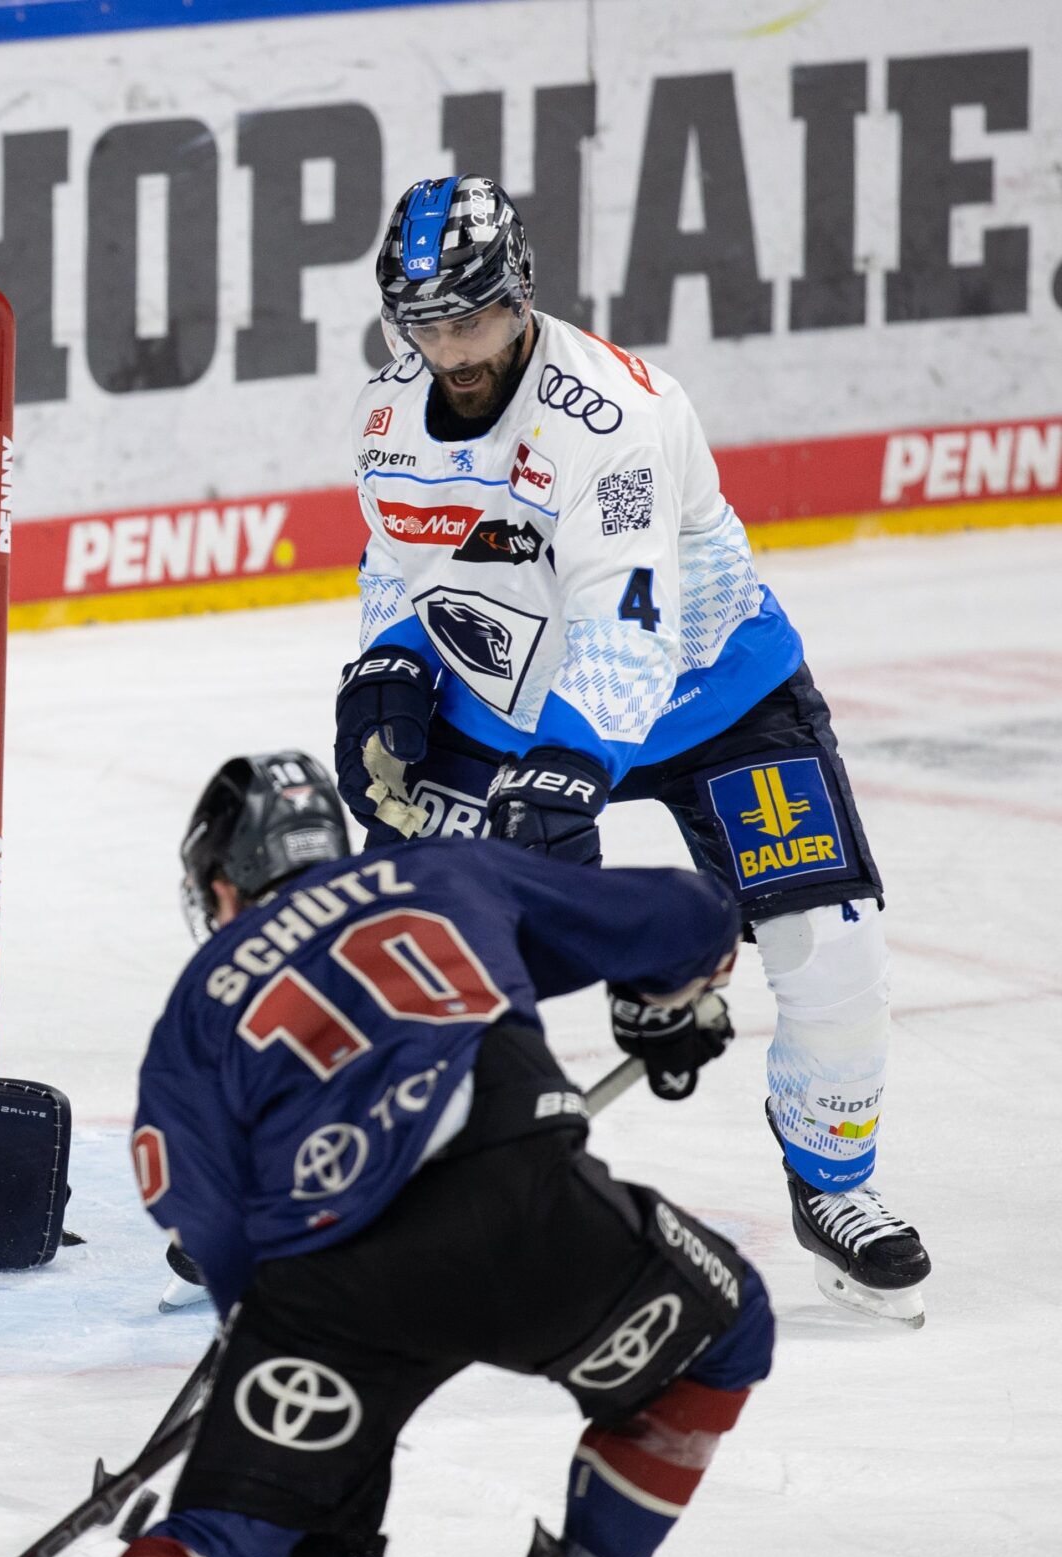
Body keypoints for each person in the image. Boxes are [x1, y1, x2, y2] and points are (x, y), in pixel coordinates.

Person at [34, 753, 770, 1557]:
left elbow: (195, 1201)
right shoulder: (442, 872)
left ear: (225, 883)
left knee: (218, 1542)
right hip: (512, 1208)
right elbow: (691, 914)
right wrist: (663, 1000)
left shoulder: (198, 1003)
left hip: (323, 1292)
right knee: (728, 1329)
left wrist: (252, 1327)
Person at [335, 174, 926, 1324]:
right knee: (409, 936)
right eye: (426, 324)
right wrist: (389, 669)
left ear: (521, 295)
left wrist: (569, 767)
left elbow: (626, 613)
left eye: (474, 319)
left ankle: (834, 1180)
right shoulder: (384, 415)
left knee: (831, 946)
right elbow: (401, 565)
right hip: (507, 700)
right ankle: (362, 1172)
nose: (451, 349)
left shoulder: (612, 415)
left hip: (710, 692)